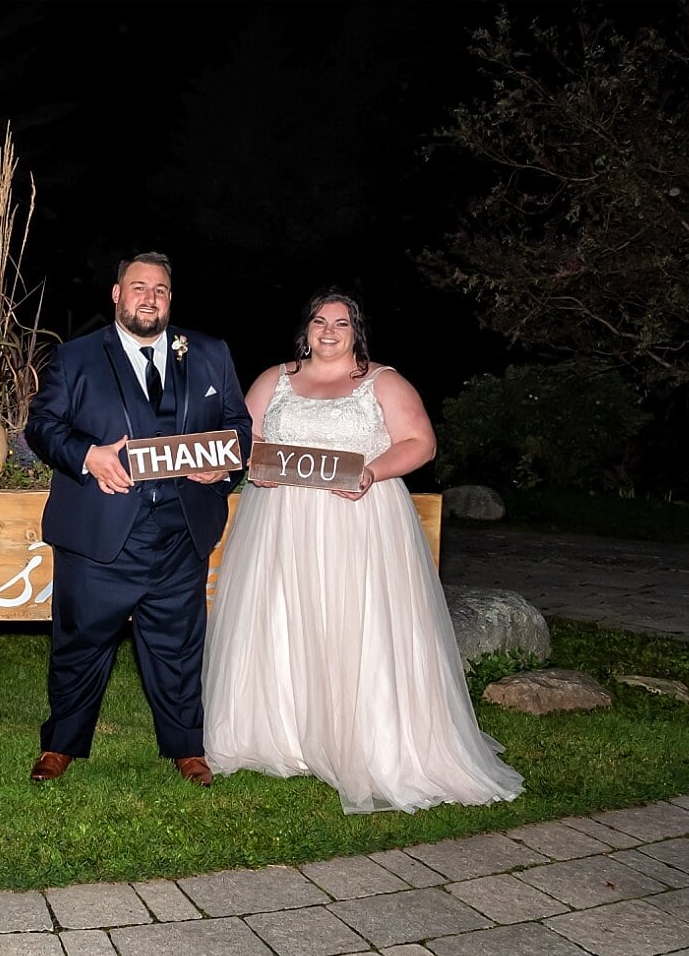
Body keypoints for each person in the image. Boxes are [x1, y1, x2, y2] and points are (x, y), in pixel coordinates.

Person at [202, 289, 523, 813]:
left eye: (341, 323)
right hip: (280, 522)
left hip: (360, 519)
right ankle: (282, 735)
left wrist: (372, 471)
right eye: (319, 321)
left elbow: (420, 442)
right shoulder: (272, 380)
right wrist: (216, 461)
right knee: (283, 619)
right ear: (304, 329)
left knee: (355, 623)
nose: (328, 331)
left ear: (357, 332)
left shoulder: (382, 381)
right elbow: (242, 440)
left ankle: (367, 739)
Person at [25, 252, 253, 786]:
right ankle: (60, 745)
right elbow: (42, 426)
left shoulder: (210, 353)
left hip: (181, 533)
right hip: (100, 532)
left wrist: (222, 466)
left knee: (177, 646)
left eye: (160, 290)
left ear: (170, 299)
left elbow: (239, 429)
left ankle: (187, 748)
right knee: (80, 645)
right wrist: (87, 456)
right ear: (117, 294)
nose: (149, 298)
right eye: (138, 287)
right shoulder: (77, 358)